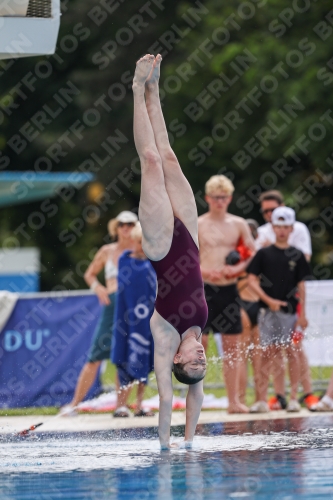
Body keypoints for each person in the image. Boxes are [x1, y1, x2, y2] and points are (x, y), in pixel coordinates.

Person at [133, 53, 208, 449]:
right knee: (169, 157)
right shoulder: (200, 332)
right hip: (192, 239)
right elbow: (196, 395)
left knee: (149, 161)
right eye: (203, 361)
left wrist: (170, 446)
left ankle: (135, 88)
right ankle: (155, 88)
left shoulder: (165, 340)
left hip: (162, 246)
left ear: (178, 361)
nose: (200, 357)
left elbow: (169, 398)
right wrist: (193, 443)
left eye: (193, 362)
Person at [59, 210, 137, 416]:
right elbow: (89, 273)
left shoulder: (141, 250)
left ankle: (121, 405)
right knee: (95, 355)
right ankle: (74, 404)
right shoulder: (107, 251)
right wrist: (98, 288)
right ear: (116, 227)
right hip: (112, 305)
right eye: (122, 224)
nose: (126, 228)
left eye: (130, 224)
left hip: (132, 306)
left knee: (126, 358)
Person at [198, 175, 256, 414]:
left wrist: (237, 269)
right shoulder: (198, 223)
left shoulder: (239, 224)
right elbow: (186, 256)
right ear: (207, 198)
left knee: (232, 346)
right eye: (215, 197)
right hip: (203, 289)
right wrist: (204, 271)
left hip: (229, 288)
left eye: (223, 197)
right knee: (199, 346)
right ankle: (196, 400)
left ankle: (233, 401)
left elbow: (253, 253)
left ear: (230, 198)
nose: (220, 201)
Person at [257, 190, 318, 410]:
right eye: (266, 211)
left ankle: (306, 391)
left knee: (294, 347)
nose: (270, 214)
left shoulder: (298, 228)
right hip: (271, 297)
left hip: (292, 296)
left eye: (272, 209)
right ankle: (280, 394)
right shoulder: (264, 232)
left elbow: (302, 261)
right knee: (273, 349)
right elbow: (258, 264)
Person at [112, 223, 156, 417]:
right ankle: (120, 405)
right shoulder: (125, 261)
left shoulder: (154, 263)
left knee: (145, 359)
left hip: (148, 320)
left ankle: (139, 404)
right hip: (127, 321)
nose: (142, 246)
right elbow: (126, 289)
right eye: (139, 242)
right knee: (123, 359)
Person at [237, 219, 261, 405]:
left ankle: (247, 400)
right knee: (249, 355)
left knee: (248, 356)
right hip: (249, 303)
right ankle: (246, 400)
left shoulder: (239, 255)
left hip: (251, 303)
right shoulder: (256, 255)